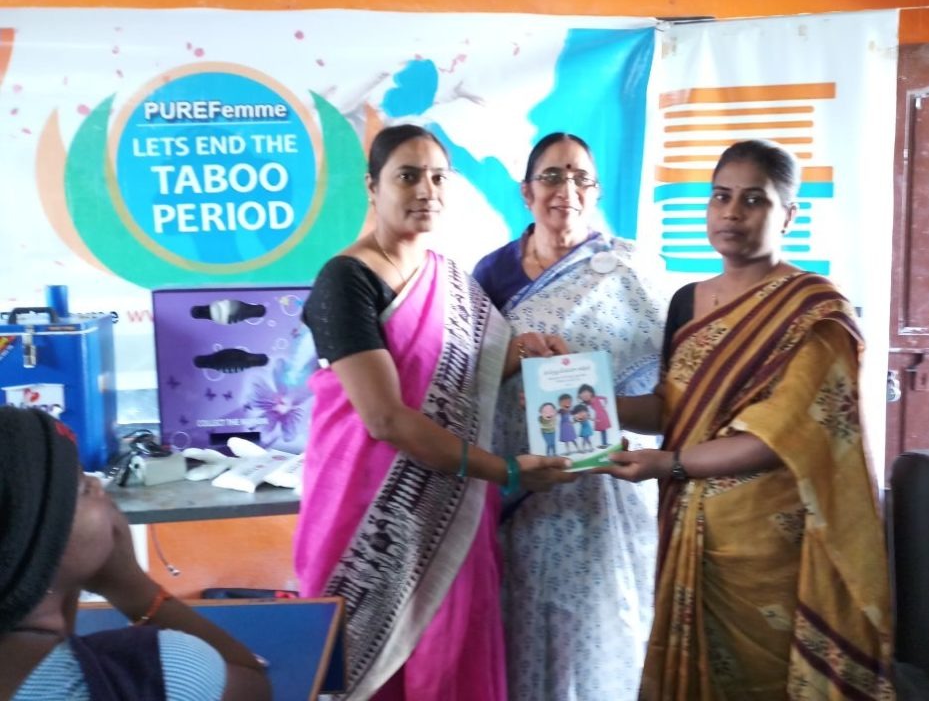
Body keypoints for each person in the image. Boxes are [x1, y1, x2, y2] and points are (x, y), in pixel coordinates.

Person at [293, 123, 576, 701]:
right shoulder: (345, 280)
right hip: (367, 523)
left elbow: (464, 375)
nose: (427, 190)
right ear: (372, 187)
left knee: (449, 669)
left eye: (439, 177)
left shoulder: (448, 278)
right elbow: (386, 418)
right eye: (408, 176)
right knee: (368, 679)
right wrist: (507, 471)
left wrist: (525, 353)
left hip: (449, 518)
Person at [605, 140, 894, 699]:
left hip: (768, 539)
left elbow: (780, 433)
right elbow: (671, 407)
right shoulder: (686, 301)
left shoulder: (816, 311)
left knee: (764, 677)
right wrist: (590, 402)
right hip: (689, 524)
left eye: (754, 199)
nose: (732, 212)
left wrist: (669, 464)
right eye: (721, 196)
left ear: (789, 214)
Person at [473, 132, 668, 701]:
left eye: (581, 177)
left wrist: (588, 394)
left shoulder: (628, 271)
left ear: (597, 191)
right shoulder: (491, 275)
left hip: (602, 492)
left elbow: (670, 402)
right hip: (519, 488)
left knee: (596, 640)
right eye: (552, 176)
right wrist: (515, 358)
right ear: (526, 192)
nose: (567, 189)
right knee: (523, 633)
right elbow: (465, 381)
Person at [0, 405, 271, 701]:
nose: (97, 483)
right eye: (82, 487)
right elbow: (253, 685)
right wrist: (132, 588)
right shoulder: (153, 673)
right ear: (39, 542)